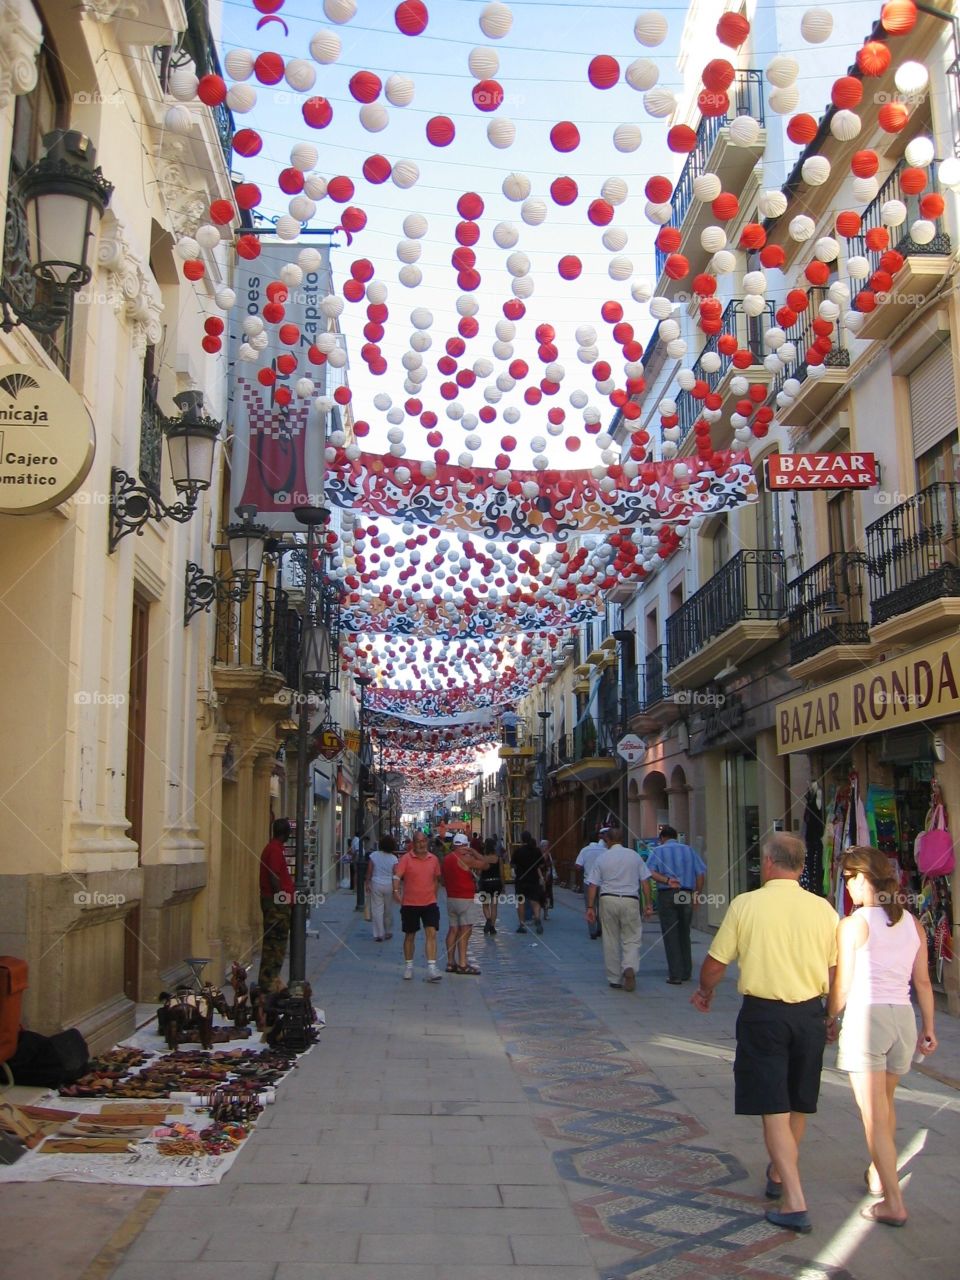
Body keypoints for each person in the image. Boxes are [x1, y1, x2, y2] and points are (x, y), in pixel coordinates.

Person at [691, 833, 839, 1235]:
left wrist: (705, 991)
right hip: (809, 1014)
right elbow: (833, 970)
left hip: (764, 1016)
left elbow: (716, 962)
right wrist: (833, 1014)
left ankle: (795, 1201)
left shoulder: (746, 904)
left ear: (769, 864)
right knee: (797, 1102)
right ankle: (777, 1173)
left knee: (773, 1106)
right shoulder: (824, 909)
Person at [828, 846, 937, 1227]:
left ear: (861, 878)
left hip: (867, 1021)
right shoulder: (912, 923)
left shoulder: (853, 924)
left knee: (873, 1115)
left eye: (847, 879)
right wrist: (929, 1028)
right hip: (902, 1020)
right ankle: (879, 1173)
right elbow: (922, 982)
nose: (847, 888)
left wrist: (829, 1017)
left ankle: (893, 1202)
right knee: (886, 1106)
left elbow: (842, 987)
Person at [584, 821, 652, 990]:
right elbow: (645, 882)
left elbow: (593, 884)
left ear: (607, 840)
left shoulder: (602, 857)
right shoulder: (634, 856)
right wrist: (648, 904)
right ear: (622, 839)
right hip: (630, 900)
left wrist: (591, 907)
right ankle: (629, 966)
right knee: (632, 937)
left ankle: (614, 978)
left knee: (610, 938)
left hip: (608, 899)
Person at [647, 824, 707, 984]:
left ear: (662, 838)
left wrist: (666, 880)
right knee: (684, 932)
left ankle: (675, 974)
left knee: (670, 933)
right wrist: (697, 894)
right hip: (686, 893)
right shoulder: (688, 850)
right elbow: (700, 873)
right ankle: (686, 971)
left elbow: (649, 872)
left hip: (667, 893)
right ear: (674, 836)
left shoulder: (658, 851)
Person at [393, 832, 443, 982]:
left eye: (423, 841)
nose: (421, 844)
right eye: (418, 842)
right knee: (410, 936)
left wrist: (434, 896)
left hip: (429, 903)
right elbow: (397, 876)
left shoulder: (433, 859)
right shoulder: (406, 859)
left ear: (427, 842)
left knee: (431, 933)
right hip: (410, 903)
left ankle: (432, 968)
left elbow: (436, 879)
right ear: (413, 844)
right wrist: (396, 891)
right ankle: (409, 966)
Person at [442, 833, 486, 974]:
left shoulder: (446, 859)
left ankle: (450, 962)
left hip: (451, 898)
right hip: (465, 898)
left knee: (453, 930)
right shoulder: (466, 859)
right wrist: (473, 852)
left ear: (454, 844)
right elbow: (485, 864)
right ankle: (462, 964)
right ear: (465, 845)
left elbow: (442, 880)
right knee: (465, 931)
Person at [258, 818, 293, 990]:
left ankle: (272, 979)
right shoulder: (274, 850)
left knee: (277, 945)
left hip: (276, 903)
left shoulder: (275, 849)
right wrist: (282, 899)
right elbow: (273, 876)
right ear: (286, 833)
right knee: (275, 945)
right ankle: (269, 982)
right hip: (275, 906)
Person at [365, 835, 399, 943]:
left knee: (377, 910)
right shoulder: (394, 858)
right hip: (389, 885)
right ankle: (388, 931)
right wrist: (397, 889)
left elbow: (369, 870)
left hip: (376, 884)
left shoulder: (374, 855)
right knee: (388, 909)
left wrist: (367, 882)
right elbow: (395, 874)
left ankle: (379, 934)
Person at [512, 831, 546, 934]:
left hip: (521, 881)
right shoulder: (536, 851)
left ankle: (522, 925)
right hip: (533, 880)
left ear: (522, 839)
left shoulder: (517, 851)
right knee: (535, 901)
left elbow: (512, 865)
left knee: (521, 902)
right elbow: (542, 865)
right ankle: (537, 918)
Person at [575, 832, 606, 938]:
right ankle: (601, 929)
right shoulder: (604, 850)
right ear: (598, 839)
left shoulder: (584, 850)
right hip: (602, 883)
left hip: (589, 882)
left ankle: (592, 931)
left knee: (590, 906)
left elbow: (578, 865)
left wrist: (586, 868)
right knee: (602, 907)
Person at [478, 835, 505, 935]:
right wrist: (503, 886)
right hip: (496, 883)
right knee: (494, 906)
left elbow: (479, 872)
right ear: (494, 846)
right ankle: (492, 927)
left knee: (485, 905)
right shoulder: (499, 859)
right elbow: (502, 873)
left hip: (485, 883)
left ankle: (488, 920)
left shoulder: (483, 859)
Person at [539, 839, 556, 918]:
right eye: (545, 846)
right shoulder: (538, 855)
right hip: (540, 878)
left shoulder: (549, 855)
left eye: (547, 846)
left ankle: (546, 913)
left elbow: (551, 865)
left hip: (548, 878)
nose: (546, 847)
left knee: (547, 895)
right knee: (540, 895)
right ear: (541, 847)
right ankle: (537, 913)